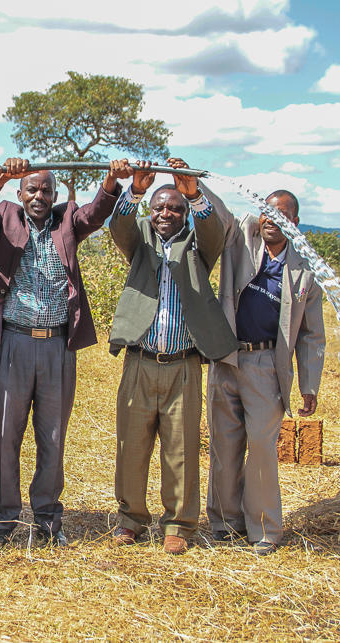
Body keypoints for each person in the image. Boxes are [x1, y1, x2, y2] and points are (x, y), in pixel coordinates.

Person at [0, 158, 125, 547]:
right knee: (6, 435)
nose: (40, 196)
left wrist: (110, 182)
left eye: (46, 190)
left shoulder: (65, 220)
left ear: (55, 195)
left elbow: (95, 212)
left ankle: (49, 520)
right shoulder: (5, 216)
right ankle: (3, 520)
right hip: (13, 344)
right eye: (32, 190)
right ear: (20, 194)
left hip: (57, 346)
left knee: (53, 436)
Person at [106, 159, 237, 554]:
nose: (166, 214)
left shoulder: (199, 244)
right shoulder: (141, 238)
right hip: (140, 361)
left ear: (184, 214)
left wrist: (193, 190)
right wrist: (136, 190)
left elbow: (216, 228)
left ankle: (179, 524)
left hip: (183, 365)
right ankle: (130, 520)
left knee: (180, 448)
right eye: (160, 207)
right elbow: (119, 227)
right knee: (131, 445)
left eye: (175, 208)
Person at [206, 188, 325, 556]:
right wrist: (194, 189)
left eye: (282, 214)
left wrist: (309, 385)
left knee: (261, 447)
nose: (272, 219)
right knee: (224, 444)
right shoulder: (242, 238)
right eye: (267, 212)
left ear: (296, 223)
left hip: (266, 366)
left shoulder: (305, 270)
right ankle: (224, 522)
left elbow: (311, 334)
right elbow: (221, 215)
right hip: (227, 358)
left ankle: (265, 529)